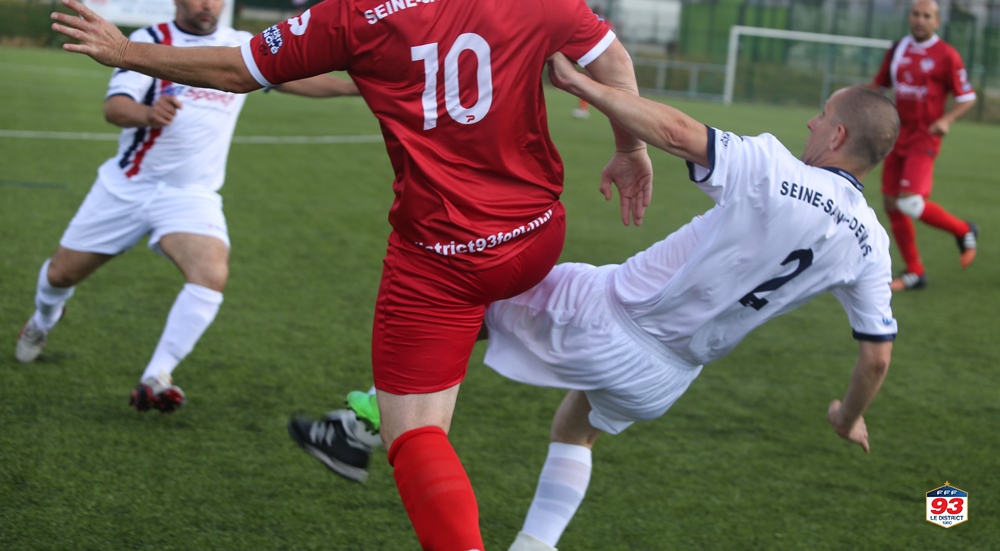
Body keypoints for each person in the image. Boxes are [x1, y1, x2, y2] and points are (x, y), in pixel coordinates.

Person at [49, 0, 653, 548]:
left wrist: (125, 52)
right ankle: (380, 405)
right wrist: (630, 149)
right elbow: (613, 60)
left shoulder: (358, 12)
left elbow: (236, 69)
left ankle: (367, 427)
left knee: (414, 434)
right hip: (537, 236)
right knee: (483, 306)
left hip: (443, 261)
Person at [301, 73, 901, 551]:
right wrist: (847, 418)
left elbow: (676, 132)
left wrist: (583, 84)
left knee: (467, 296)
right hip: (667, 377)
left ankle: (360, 426)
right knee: (576, 429)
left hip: (608, 314)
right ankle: (535, 544)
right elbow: (876, 358)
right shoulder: (873, 246)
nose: (811, 122)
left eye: (822, 114)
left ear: (838, 135)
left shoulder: (777, 169)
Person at [19, 0, 359, 413]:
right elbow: (115, 107)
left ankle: (157, 375)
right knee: (60, 275)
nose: (208, 3)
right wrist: (148, 114)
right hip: (129, 186)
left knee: (211, 273)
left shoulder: (240, 46)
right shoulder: (149, 40)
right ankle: (44, 318)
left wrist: (354, 88)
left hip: (191, 195)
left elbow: (293, 78)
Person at [862, 0, 978, 291]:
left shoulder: (947, 55)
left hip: (925, 137)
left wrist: (947, 120)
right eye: (915, 14)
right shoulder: (898, 49)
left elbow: (967, 97)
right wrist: (849, 97)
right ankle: (915, 271)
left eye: (927, 15)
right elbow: (879, 85)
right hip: (896, 133)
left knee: (910, 202)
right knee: (891, 203)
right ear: (909, 17)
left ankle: (963, 229)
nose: (920, 20)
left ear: (937, 21)